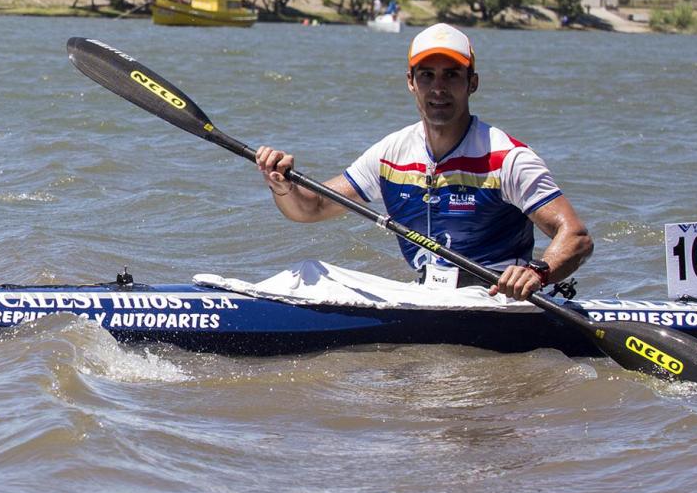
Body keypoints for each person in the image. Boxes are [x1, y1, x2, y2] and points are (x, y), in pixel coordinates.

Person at [252, 23, 592, 301]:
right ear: (411, 82)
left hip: (496, 298)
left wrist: (537, 272)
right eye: (427, 75)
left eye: (451, 75)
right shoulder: (391, 154)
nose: (438, 88)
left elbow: (576, 237)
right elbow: (311, 208)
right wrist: (282, 186)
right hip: (426, 293)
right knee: (310, 272)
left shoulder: (507, 159)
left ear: (472, 83)